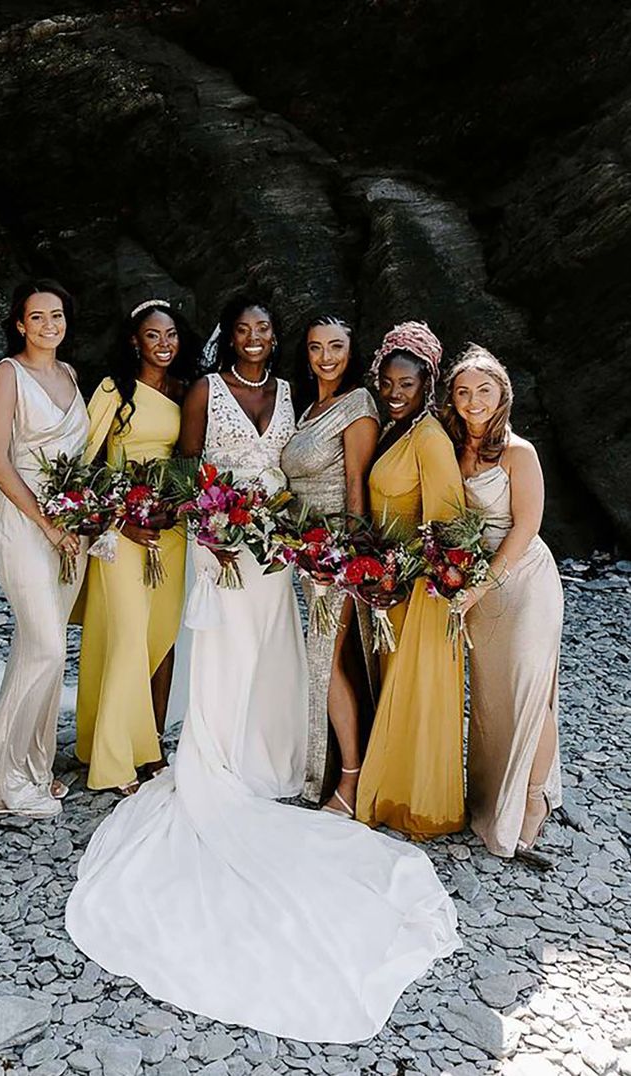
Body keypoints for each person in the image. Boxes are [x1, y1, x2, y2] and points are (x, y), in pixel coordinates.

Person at [65, 297, 459, 1044]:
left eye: (268, 330)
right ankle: (221, 756)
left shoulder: (297, 396)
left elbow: (337, 483)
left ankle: (292, 762)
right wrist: (205, 525)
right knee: (225, 654)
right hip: (225, 548)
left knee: (289, 662)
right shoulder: (212, 389)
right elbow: (186, 466)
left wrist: (336, 552)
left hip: (288, 554)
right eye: (244, 329)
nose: (257, 339)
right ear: (231, 336)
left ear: (280, 339)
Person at [0, 280, 88, 818]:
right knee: (48, 648)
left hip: (72, 530)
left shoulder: (70, 375)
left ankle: (32, 763)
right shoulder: (8, 375)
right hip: (24, 525)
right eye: (37, 317)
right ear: (20, 324)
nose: (48, 325)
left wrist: (84, 519)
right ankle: (6, 781)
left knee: (41, 650)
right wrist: (47, 523)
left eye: (56, 316)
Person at [441, 344, 563, 862]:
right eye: (463, 392)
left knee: (529, 691)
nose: (473, 401)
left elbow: (527, 526)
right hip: (477, 587)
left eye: (483, 391)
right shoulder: (450, 448)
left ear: (502, 394)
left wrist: (481, 586)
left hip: (523, 580)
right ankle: (492, 798)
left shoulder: (520, 452)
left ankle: (532, 801)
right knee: (491, 701)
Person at [75, 298, 200, 794]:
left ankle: (145, 744)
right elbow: (85, 466)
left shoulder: (183, 390)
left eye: (171, 335)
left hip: (169, 530)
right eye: (153, 336)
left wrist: (176, 505)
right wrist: (119, 517)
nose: (164, 344)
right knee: (125, 635)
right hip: (120, 531)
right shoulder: (113, 390)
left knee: (159, 635)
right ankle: (113, 762)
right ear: (134, 341)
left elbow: (188, 460)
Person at [356, 322, 466, 838]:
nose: (395, 394)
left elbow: (447, 531)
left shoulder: (430, 439)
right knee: (388, 686)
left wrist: (400, 574)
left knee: (412, 691)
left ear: (427, 386)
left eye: (407, 385)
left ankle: (411, 798)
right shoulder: (389, 429)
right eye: (388, 383)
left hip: (418, 591)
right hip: (387, 586)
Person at [281, 315, 379, 813]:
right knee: (322, 662)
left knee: (325, 663)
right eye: (316, 347)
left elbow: (357, 485)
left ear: (350, 349)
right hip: (305, 550)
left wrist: (349, 557)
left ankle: (350, 781)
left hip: (334, 555)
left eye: (336, 346)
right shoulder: (309, 407)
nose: (326, 357)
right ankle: (318, 769)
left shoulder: (357, 405)